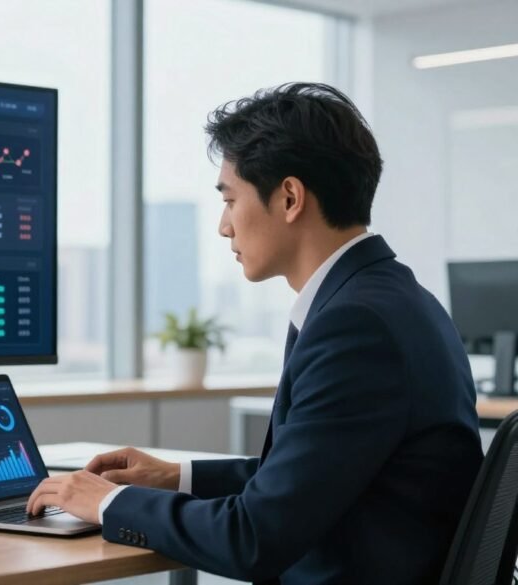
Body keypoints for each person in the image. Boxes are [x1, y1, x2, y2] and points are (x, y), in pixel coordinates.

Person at [26, 82, 484, 583]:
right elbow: (314, 476)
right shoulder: (389, 298)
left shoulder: (357, 327)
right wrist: (176, 477)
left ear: (289, 197)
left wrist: (110, 502)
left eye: (230, 199)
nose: (224, 226)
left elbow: (253, 537)